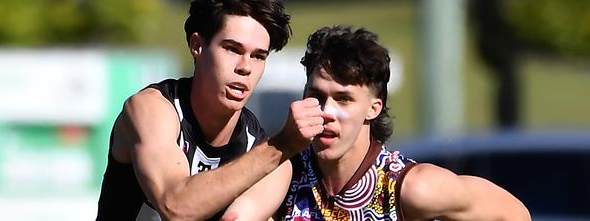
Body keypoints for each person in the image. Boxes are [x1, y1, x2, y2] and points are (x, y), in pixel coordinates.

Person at [223, 25, 531, 221]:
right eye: (316, 95)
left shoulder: (409, 188)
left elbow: (514, 214)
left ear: (373, 108)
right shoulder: (285, 172)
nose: (326, 110)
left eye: (343, 99)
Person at [96, 0, 333, 221]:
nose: (245, 67)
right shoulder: (151, 109)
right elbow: (175, 207)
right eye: (232, 49)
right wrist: (281, 146)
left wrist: (278, 152)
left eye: (258, 56)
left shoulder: (271, 162)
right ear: (197, 45)